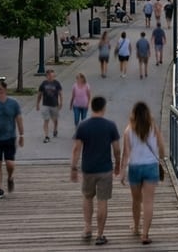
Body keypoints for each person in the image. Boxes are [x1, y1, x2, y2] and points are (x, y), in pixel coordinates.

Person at [71, 96, 121, 246]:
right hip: (105, 169)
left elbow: (76, 149)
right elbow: (117, 149)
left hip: (88, 169)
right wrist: (118, 164)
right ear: (104, 108)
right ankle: (100, 235)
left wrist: (73, 167)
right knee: (102, 201)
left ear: (92, 107)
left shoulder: (83, 126)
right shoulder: (110, 126)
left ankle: (87, 228)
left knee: (87, 197)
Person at [121, 101, 166, 245]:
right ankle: (145, 234)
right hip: (151, 167)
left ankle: (135, 227)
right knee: (148, 202)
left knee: (136, 201)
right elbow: (162, 147)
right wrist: (162, 158)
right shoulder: (153, 128)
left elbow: (126, 153)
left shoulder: (128, 130)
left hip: (134, 167)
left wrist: (122, 171)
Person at [36, 69, 63, 142]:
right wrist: (37, 104)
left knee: (55, 119)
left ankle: (55, 129)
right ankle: (46, 136)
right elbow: (39, 94)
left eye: (53, 76)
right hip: (46, 105)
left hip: (54, 105)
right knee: (46, 120)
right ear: (47, 76)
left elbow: (60, 94)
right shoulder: (43, 84)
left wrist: (61, 103)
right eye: (51, 76)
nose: (52, 77)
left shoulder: (57, 83)